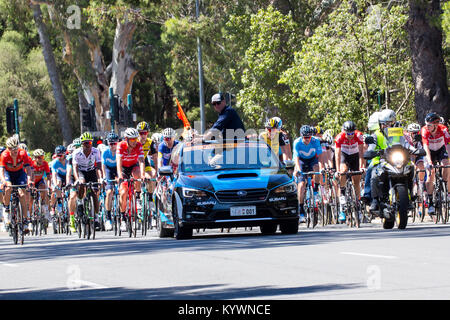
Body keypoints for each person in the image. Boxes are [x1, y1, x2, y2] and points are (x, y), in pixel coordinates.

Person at [0, 135, 33, 233]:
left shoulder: (23, 153)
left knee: (22, 194)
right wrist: (3, 181)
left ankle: (26, 220)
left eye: (16, 149)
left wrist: (30, 180)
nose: (14, 151)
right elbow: (1, 171)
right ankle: (6, 210)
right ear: (8, 148)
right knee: (8, 188)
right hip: (8, 174)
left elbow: (28, 169)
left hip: (19, 174)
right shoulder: (4, 155)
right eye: (11, 149)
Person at [334, 121, 365, 222]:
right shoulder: (339, 137)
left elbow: (361, 153)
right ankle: (342, 194)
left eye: (352, 133)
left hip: (355, 156)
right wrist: (338, 170)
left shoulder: (359, 136)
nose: (350, 136)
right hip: (344, 155)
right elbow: (337, 155)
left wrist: (362, 167)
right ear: (344, 131)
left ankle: (358, 206)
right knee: (343, 171)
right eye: (348, 133)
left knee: (357, 181)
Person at [293, 125, 324, 223]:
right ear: (301, 136)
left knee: (317, 169)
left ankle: (315, 192)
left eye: (309, 137)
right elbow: (296, 160)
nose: (307, 139)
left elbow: (320, 157)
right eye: (305, 137)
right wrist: (297, 170)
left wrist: (322, 168)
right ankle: (301, 210)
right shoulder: (297, 142)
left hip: (312, 160)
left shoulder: (315, 141)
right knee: (301, 185)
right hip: (302, 161)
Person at [421, 112, 450, 214]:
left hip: (441, 149)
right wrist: (429, 162)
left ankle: (446, 190)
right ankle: (430, 202)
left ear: (436, 124)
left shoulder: (443, 129)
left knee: (447, 165)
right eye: (426, 124)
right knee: (431, 173)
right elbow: (426, 147)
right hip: (430, 151)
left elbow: (447, 145)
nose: (427, 126)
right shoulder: (424, 130)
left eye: (429, 125)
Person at [117, 128, 145, 232]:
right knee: (123, 193)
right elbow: (118, 161)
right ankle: (123, 218)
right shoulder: (121, 146)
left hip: (134, 165)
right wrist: (120, 175)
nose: (134, 141)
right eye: (132, 139)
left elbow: (141, 160)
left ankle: (137, 197)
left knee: (137, 176)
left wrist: (142, 174)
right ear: (127, 139)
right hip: (124, 168)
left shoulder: (138, 145)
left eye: (135, 139)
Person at [72, 132, 102, 228]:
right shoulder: (76, 153)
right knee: (81, 183)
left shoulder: (96, 151)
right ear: (82, 144)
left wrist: (101, 178)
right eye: (85, 143)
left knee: (95, 192)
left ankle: (96, 217)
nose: (88, 145)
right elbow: (75, 168)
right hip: (81, 171)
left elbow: (99, 167)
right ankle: (80, 201)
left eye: (89, 143)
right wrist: (77, 179)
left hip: (92, 171)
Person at [101, 132, 119, 231]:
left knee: (123, 190)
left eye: (114, 143)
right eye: (110, 144)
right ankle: (108, 218)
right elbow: (103, 166)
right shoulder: (105, 152)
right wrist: (104, 177)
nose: (113, 146)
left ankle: (123, 217)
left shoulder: (120, 151)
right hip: (108, 170)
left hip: (117, 169)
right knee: (109, 192)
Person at [136, 121, 158, 197]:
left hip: (144, 162)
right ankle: (138, 194)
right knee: (137, 177)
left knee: (152, 175)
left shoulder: (150, 142)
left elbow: (155, 157)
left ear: (147, 133)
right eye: (140, 133)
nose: (142, 135)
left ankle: (150, 195)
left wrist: (157, 170)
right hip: (135, 163)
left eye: (144, 133)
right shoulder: (134, 142)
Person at [30, 149, 51, 226]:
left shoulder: (45, 164)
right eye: (38, 157)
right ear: (35, 158)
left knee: (44, 188)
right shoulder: (31, 164)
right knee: (30, 199)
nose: (40, 159)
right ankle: (29, 217)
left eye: (42, 157)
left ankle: (42, 203)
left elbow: (49, 177)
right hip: (31, 181)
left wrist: (49, 186)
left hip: (39, 181)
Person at [66, 139, 81, 232]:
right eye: (77, 147)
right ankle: (71, 218)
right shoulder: (71, 158)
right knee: (73, 196)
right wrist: (69, 183)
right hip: (73, 177)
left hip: (83, 175)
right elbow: (68, 172)